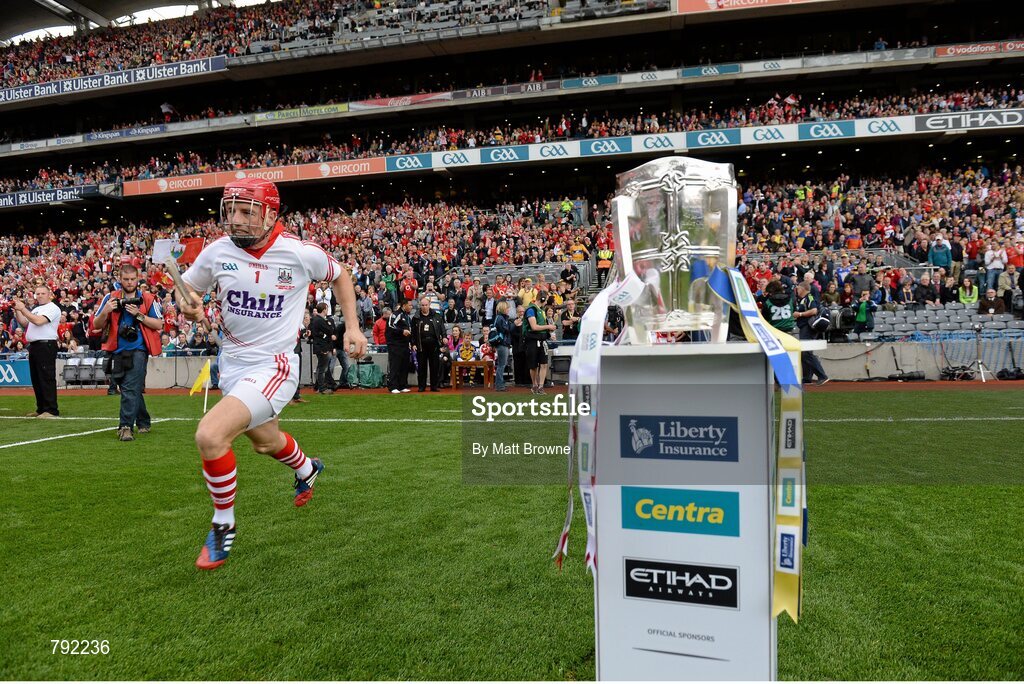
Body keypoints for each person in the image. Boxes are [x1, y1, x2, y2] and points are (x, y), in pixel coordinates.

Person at [175, 178, 367, 570]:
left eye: (247, 211)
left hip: (274, 366)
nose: (236, 220)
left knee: (211, 435)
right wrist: (188, 306)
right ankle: (307, 468)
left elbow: (340, 275)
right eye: (231, 210)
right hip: (232, 366)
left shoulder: (299, 253)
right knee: (265, 442)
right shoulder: (217, 252)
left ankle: (223, 525)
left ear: (270, 214)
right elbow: (186, 292)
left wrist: (352, 326)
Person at [92, 264, 163, 441]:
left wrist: (139, 315)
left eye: (133, 279)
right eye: (126, 279)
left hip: (139, 349)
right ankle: (144, 421)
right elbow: (96, 325)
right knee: (128, 388)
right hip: (116, 349)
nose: (130, 283)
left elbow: (159, 325)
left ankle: (125, 427)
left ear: (138, 279)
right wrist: (106, 311)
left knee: (130, 386)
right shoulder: (110, 298)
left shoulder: (147, 298)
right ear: (119, 279)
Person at [12, 284, 61, 418]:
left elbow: (39, 321)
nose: (39, 296)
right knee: (37, 378)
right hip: (35, 345)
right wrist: (17, 310)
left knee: (46, 377)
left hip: (46, 344)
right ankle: (41, 408)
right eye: (37, 293)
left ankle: (51, 410)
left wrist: (23, 309)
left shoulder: (53, 308)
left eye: (42, 293)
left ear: (49, 294)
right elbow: (25, 322)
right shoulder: (37, 309)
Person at [793, 282, 829, 385]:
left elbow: (814, 310)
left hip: (808, 328)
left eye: (798, 288)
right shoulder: (803, 299)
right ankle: (807, 377)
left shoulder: (809, 297)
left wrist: (799, 314)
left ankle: (822, 375)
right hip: (805, 327)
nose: (797, 290)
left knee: (806, 353)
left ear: (804, 288)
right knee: (804, 352)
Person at [412, 295, 445, 392]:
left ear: (429, 305)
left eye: (426, 305)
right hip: (421, 345)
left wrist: (444, 337)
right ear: (420, 306)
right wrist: (413, 343)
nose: (424, 307)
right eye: (422, 305)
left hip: (434, 344)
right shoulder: (416, 318)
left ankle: (434, 386)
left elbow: (442, 329)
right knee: (422, 367)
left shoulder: (436, 316)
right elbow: (413, 332)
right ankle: (421, 386)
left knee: (434, 366)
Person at [523, 296, 555, 394]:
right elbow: (534, 327)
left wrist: (549, 333)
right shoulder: (531, 310)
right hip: (532, 340)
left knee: (544, 363)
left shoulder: (540, 311)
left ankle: (541, 386)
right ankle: (535, 385)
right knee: (533, 365)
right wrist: (548, 326)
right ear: (542, 299)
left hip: (542, 340)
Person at [386, 300, 412, 394]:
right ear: (404, 305)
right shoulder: (396, 314)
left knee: (404, 365)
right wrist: (402, 332)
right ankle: (393, 386)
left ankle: (402, 385)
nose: (411, 307)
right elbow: (391, 326)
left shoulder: (407, 316)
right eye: (410, 305)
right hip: (395, 345)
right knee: (395, 365)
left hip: (404, 344)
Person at [309, 302, 335, 394]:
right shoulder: (320, 320)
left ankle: (318, 387)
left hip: (321, 346)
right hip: (322, 347)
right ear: (324, 310)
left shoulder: (316, 319)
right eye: (326, 309)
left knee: (321, 367)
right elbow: (330, 330)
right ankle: (322, 388)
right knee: (322, 368)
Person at [491, 301, 513, 391]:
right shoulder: (500, 318)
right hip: (502, 343)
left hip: (503, 343)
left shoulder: (501, 318)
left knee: (502, 364)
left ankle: (499, 384)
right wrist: (513, 325)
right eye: (507, 308)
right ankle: (499, 385)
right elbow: (506, 329)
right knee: (501, 365)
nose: (508, 309)